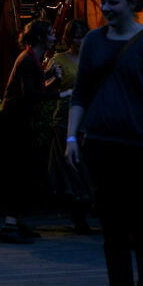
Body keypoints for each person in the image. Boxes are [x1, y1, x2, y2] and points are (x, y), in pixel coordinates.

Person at [65, 0, 143, 286]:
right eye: (103, 2)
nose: (105, 8)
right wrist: (72, 136)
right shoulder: (94, 41)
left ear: (131, 3)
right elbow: (81, 92)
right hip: (101, 145)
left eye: (112, 3)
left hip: (142, 148)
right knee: (112, 231)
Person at [0, 19, 72, 243]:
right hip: (12, 126)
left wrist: (50, 77)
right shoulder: (28, 60)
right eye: (50, 34)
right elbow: (31, 95)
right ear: (40, 38)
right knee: (17, 174)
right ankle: (10, 226)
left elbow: (34, 87)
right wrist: (61, 94)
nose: (54, 37)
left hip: (18, 124)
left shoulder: (32, 59)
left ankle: (16, 222)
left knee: (24, 173)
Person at [46, 19, 97, 234]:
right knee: (72, 167)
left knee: (89, 166)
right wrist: (54, 80)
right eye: (76, 37)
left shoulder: (92, 59)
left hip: (90, 118)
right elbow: (45, 88)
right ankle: (79, 215)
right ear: (69, 38)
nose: (80, 41)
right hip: (65, 119)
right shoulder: (58, 60)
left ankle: (90, 206)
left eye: (83, 36)